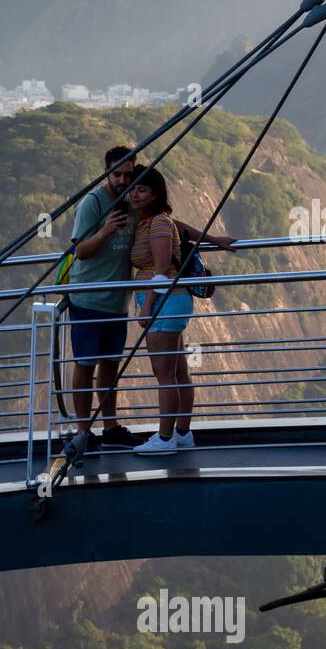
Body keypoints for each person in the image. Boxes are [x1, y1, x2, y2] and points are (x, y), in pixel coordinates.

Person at [67, 148, 233, 450]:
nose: (124, 182)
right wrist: (105, 232)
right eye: (117, 175)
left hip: (133, 301)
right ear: (106, 172)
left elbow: (169, 232)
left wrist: (213, 240)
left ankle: (130, 430)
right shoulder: (94, 204)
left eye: (129, 176)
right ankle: (84, 431)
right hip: (90, 298)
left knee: (120, 367)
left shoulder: (141, 209)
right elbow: (79, 251)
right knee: (86, 364)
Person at [129, 166, 198, 455]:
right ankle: (182, 433)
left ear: (155, 195)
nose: (134, 194)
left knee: (164, 374)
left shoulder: (156, 223)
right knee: (179, 371)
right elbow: (181, 228)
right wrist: (216, 240)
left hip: (162, 301)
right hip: (171, 300)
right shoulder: (153, 221)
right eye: (133, 189)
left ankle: (165, 438)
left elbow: (160, 268)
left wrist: (146, 306)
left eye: (142, 190)